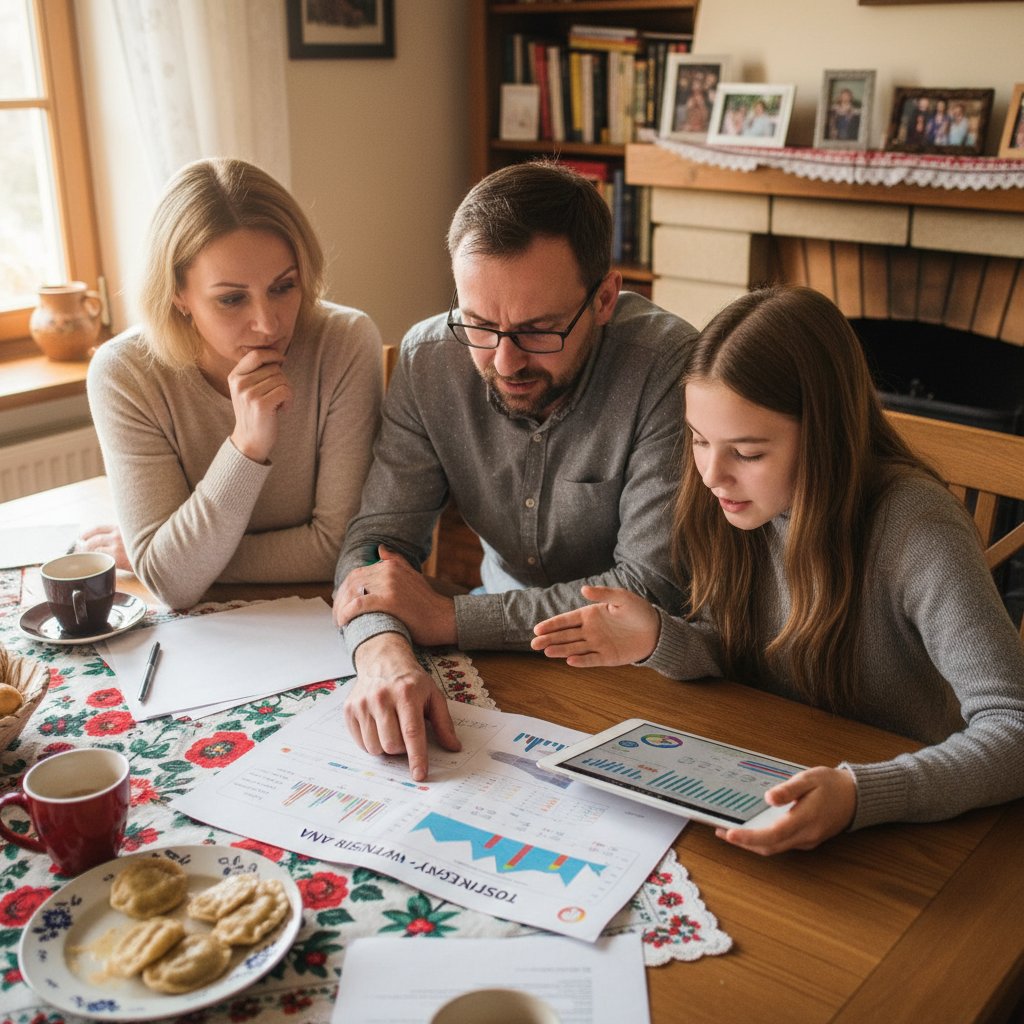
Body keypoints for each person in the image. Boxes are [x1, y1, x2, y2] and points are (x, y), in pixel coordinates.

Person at [531, 285, 1024, 856]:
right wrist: (661, 639)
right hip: (781, 781)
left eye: (748, 453)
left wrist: (861, 794)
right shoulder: (736, 504)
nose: (712, 474)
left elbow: (1013, 728)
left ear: (826, 436)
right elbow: (748, 656)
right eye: (699, 440)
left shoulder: (916, 526)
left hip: (917, 833)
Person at [332, 161, 697, 781]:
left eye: (539, 330)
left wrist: (450, 619)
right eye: (479, 325)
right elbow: (377, 543)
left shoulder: (671, 368)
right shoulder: (428, 359)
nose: (504, 361)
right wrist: (382, 653)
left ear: (604, 298)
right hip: (496, 659)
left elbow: (645, 588)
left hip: (647, 676)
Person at [85, 158, 382, 609]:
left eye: (283, 287)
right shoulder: (125, 374)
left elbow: (336, 548)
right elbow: (172, 584)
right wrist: (246, 447)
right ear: (177, 294)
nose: (268, 324)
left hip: (320, 615)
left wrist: (177, 557)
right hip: (201, 634)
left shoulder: (343, 342)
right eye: (231, 299)